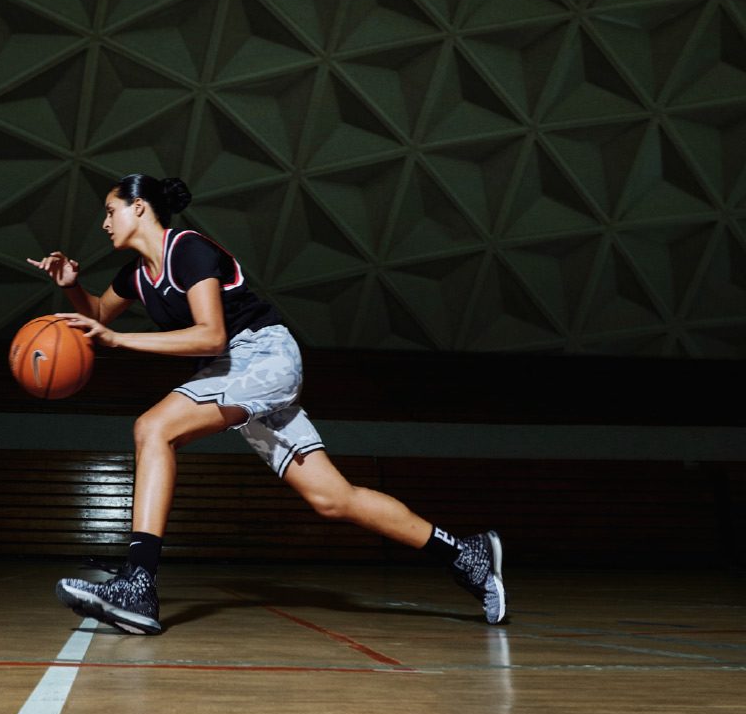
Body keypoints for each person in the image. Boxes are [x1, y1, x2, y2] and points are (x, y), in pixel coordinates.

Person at [27, 173, 505, 635]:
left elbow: (210, 334)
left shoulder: (188, 249)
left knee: (153, 428)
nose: (105, 223)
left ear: (139, 208)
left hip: (261, 355)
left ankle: (139, 582)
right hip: (235, 373)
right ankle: (465, 553)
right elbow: (94, 316)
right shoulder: (137, 274)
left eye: (110, 212)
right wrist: (71, 283)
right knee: (333, 499)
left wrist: (122, 341)